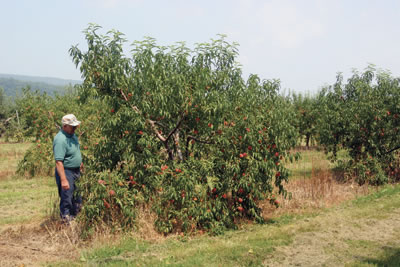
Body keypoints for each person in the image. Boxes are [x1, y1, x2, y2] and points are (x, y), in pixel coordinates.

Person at [53, 114, 84, 222]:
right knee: (67, 197)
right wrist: (63, 179)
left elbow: (75, 150)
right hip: (66, 171)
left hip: (76, 171)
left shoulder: (73, 136)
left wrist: (80, 162)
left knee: (78, 196)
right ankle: (66, 220)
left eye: (75, 126)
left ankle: (77, 219)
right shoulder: (60, 139)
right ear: (65, 126)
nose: (75, 128)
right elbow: (59, 162)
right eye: (72, 126)